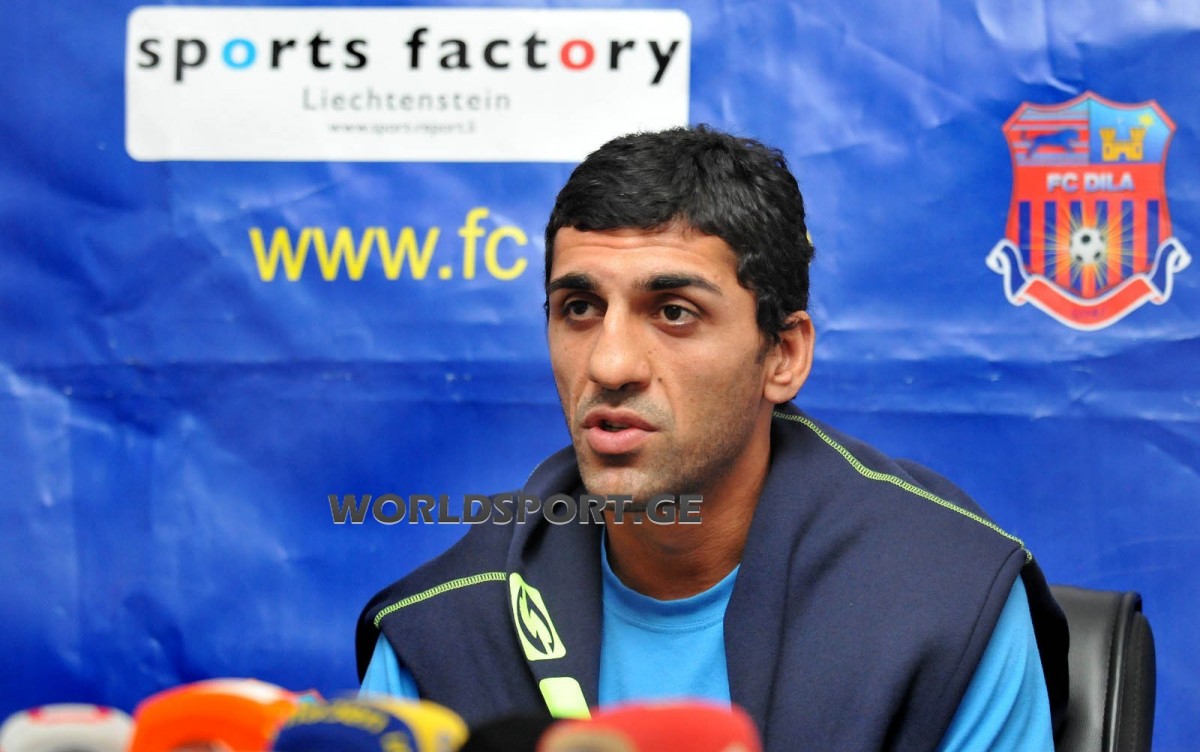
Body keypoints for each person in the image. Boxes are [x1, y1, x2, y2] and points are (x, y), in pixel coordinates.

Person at [355, 125, 1068, 750]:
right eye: (579, 308)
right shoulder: (446, 621)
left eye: (673, 312)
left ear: (782, 355)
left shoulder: (944, 599)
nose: (609, 364)